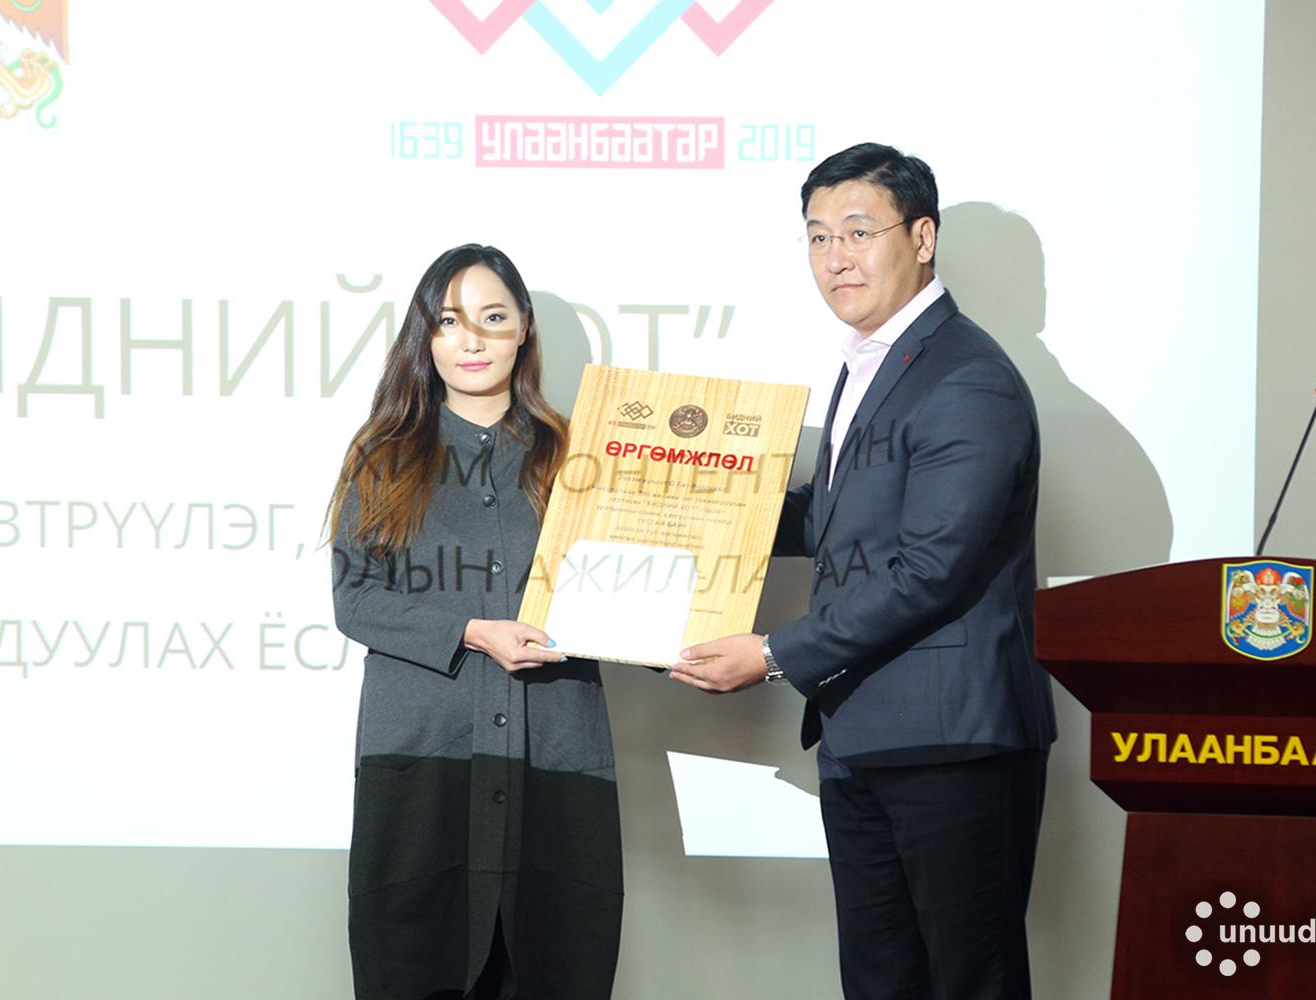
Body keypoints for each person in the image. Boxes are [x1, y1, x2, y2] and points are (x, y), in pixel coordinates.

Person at [670, 143, 1057, 999]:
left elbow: (931, 567)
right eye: (817, 237)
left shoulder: (968, 377)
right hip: (862, 734)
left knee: (971, 982)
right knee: (881, 982)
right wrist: (686, 506)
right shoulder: (874, 362)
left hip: (952, 740)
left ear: (922, 237)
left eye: (857, 231)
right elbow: (835, 518)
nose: (835, 257)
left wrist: (773, 654)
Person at [328, 244, 622, 1000]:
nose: (473, 340)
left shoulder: (578, 454)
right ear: (426, 335)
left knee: (555, 964)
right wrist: (472, 631)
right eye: (451, 321)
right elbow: (355, 599)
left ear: (523, 329)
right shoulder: (384, 454)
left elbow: (630, 586)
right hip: (423, 751)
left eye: (493, 318)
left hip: (554, 751)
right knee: (411, 965)